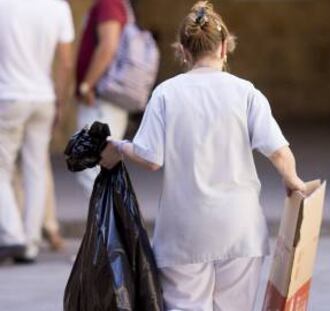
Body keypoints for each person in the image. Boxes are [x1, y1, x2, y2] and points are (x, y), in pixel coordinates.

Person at [100, 1, 306, 310]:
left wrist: (119, 147)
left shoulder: (166, 94)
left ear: (183, 51)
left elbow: (150, 157)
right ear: (224, 47)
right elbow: (278, 151)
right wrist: (292, 180)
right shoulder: (246, 92)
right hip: (240, 227)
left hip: (184, 230)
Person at [0, 0, 74, 262]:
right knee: (36, 169)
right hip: (43, 96)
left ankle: (13, 236)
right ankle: (30, 242)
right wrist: (60, 102)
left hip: (8, 95)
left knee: (2, 168)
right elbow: (65, 63)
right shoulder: (58, 8)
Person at [75, 0, 129, 195]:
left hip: (102, 98)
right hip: (106, 99)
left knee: (91, 167)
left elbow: (108, 45)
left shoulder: (109, 3)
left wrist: (87, 85)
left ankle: (105, 225)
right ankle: (110, 224)